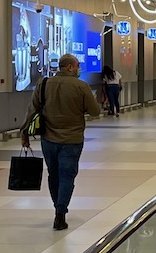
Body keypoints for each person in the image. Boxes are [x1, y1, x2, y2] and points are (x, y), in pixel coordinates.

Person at [22, 52, 102, 231]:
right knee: (67, 175)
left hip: (48, 139)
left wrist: (24, 134)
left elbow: (32, 109)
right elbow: (95, 111)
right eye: (77, 66)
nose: (79, 69)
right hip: (72, 139)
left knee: (54, 174)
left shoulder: (43, 84)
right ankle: (60, 213)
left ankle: (57, 207)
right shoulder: (81, 86)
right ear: (70, 67)